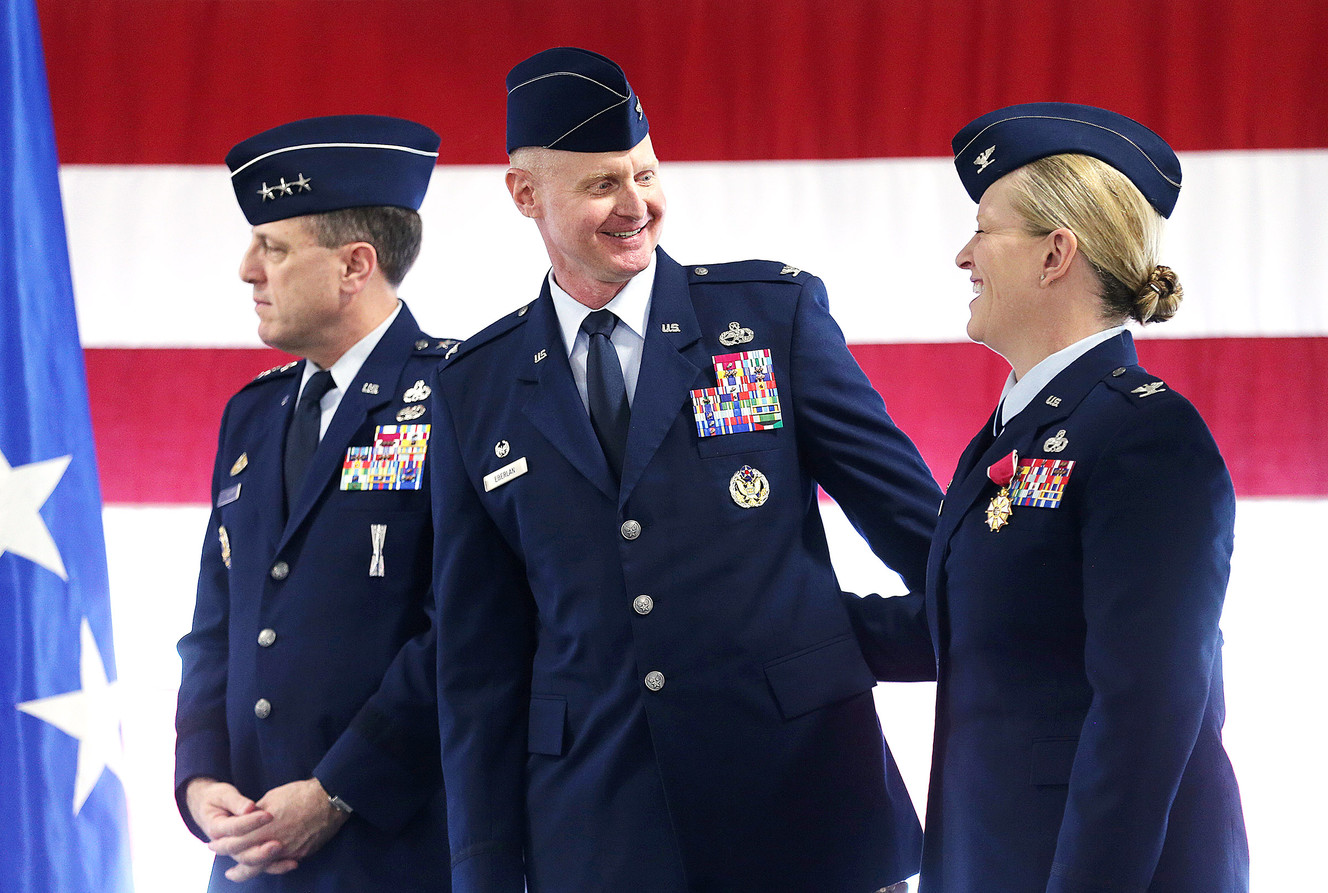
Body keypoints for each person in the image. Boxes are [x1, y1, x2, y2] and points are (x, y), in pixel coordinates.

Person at [427, 47, 942, 893]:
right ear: (525, 195)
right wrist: (483, 871)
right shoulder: (470, 386)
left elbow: (928, 540)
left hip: (806, 810)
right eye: (602, 185)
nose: (636, 205)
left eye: (646, 172)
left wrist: (827, 640)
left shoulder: (772, 320)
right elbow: (476, 664)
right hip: (597, 834)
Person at [921, 102, 1249, 892]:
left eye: (985, 229)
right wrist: (770, 617)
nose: (964, 255)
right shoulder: (1026, 425)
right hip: (1000, 856)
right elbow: (987, 619)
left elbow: (1146, 711)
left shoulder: (1145, 437)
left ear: (1054, 254)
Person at [174, 115, 454, 890]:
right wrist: (199, 782)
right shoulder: (253, 414)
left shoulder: (461, 395)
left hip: (399, 852)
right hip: (253, 857)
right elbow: (216, 627)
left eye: (273, 247)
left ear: (354, 265)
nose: (246, 270)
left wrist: (339, 790)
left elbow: (467, 628)